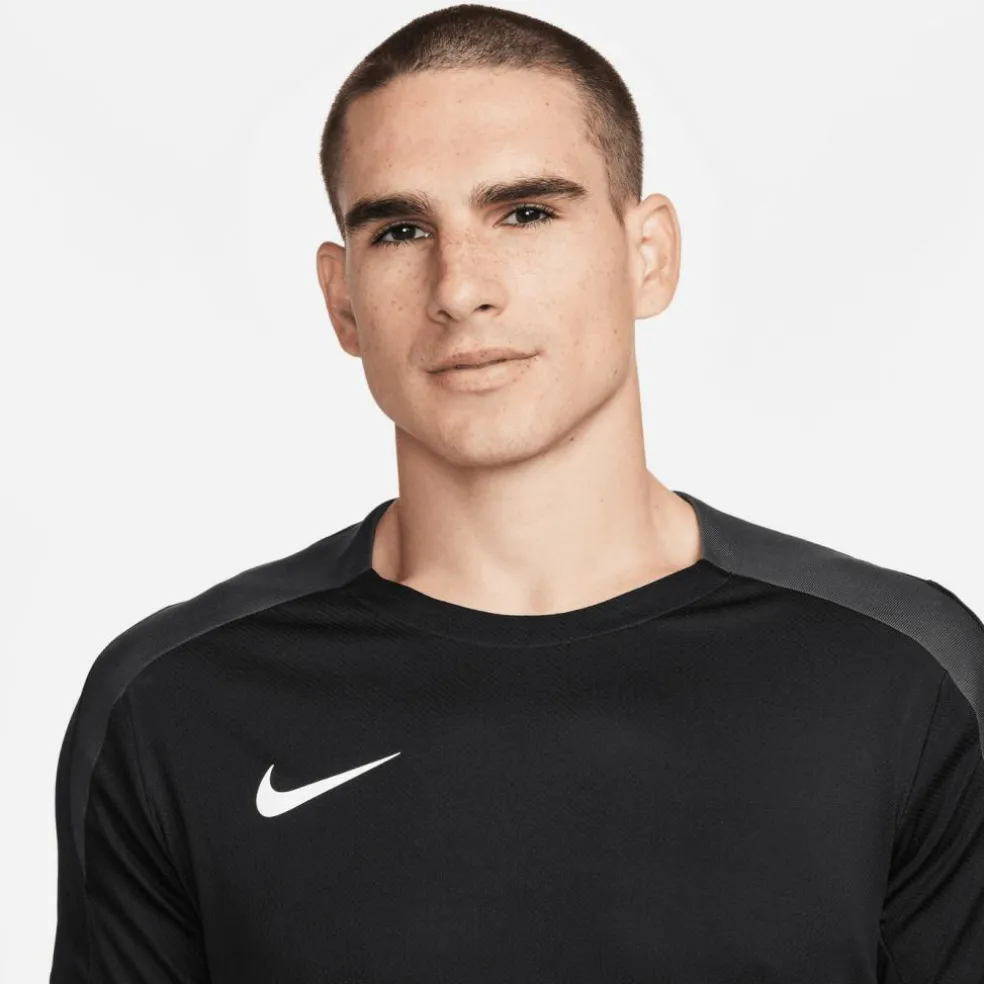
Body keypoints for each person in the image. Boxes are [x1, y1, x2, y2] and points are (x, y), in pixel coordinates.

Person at [50, 5, 984, 983]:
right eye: (401, 230)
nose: (460, 288)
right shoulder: (176, 702)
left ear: (648, 254)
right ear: (342, 299)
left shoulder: (900, 675)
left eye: (526, 213)